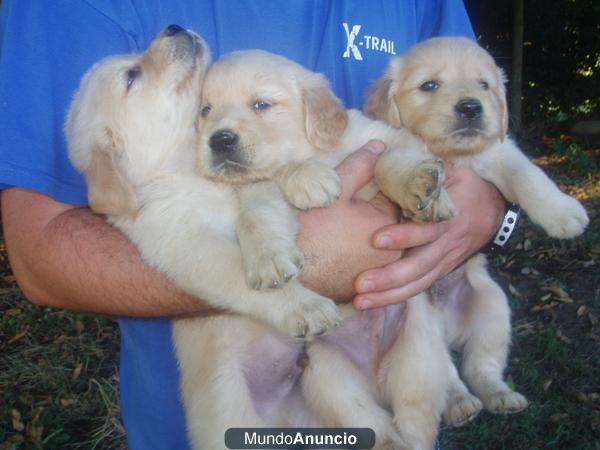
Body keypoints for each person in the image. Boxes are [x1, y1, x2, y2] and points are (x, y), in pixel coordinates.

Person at [0, 1, 506, 448]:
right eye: (206, 109)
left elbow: (468, 118)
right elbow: (41, 254)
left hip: (377, 372)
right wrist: (312, 266)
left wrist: (496, 208)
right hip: (229, 404)